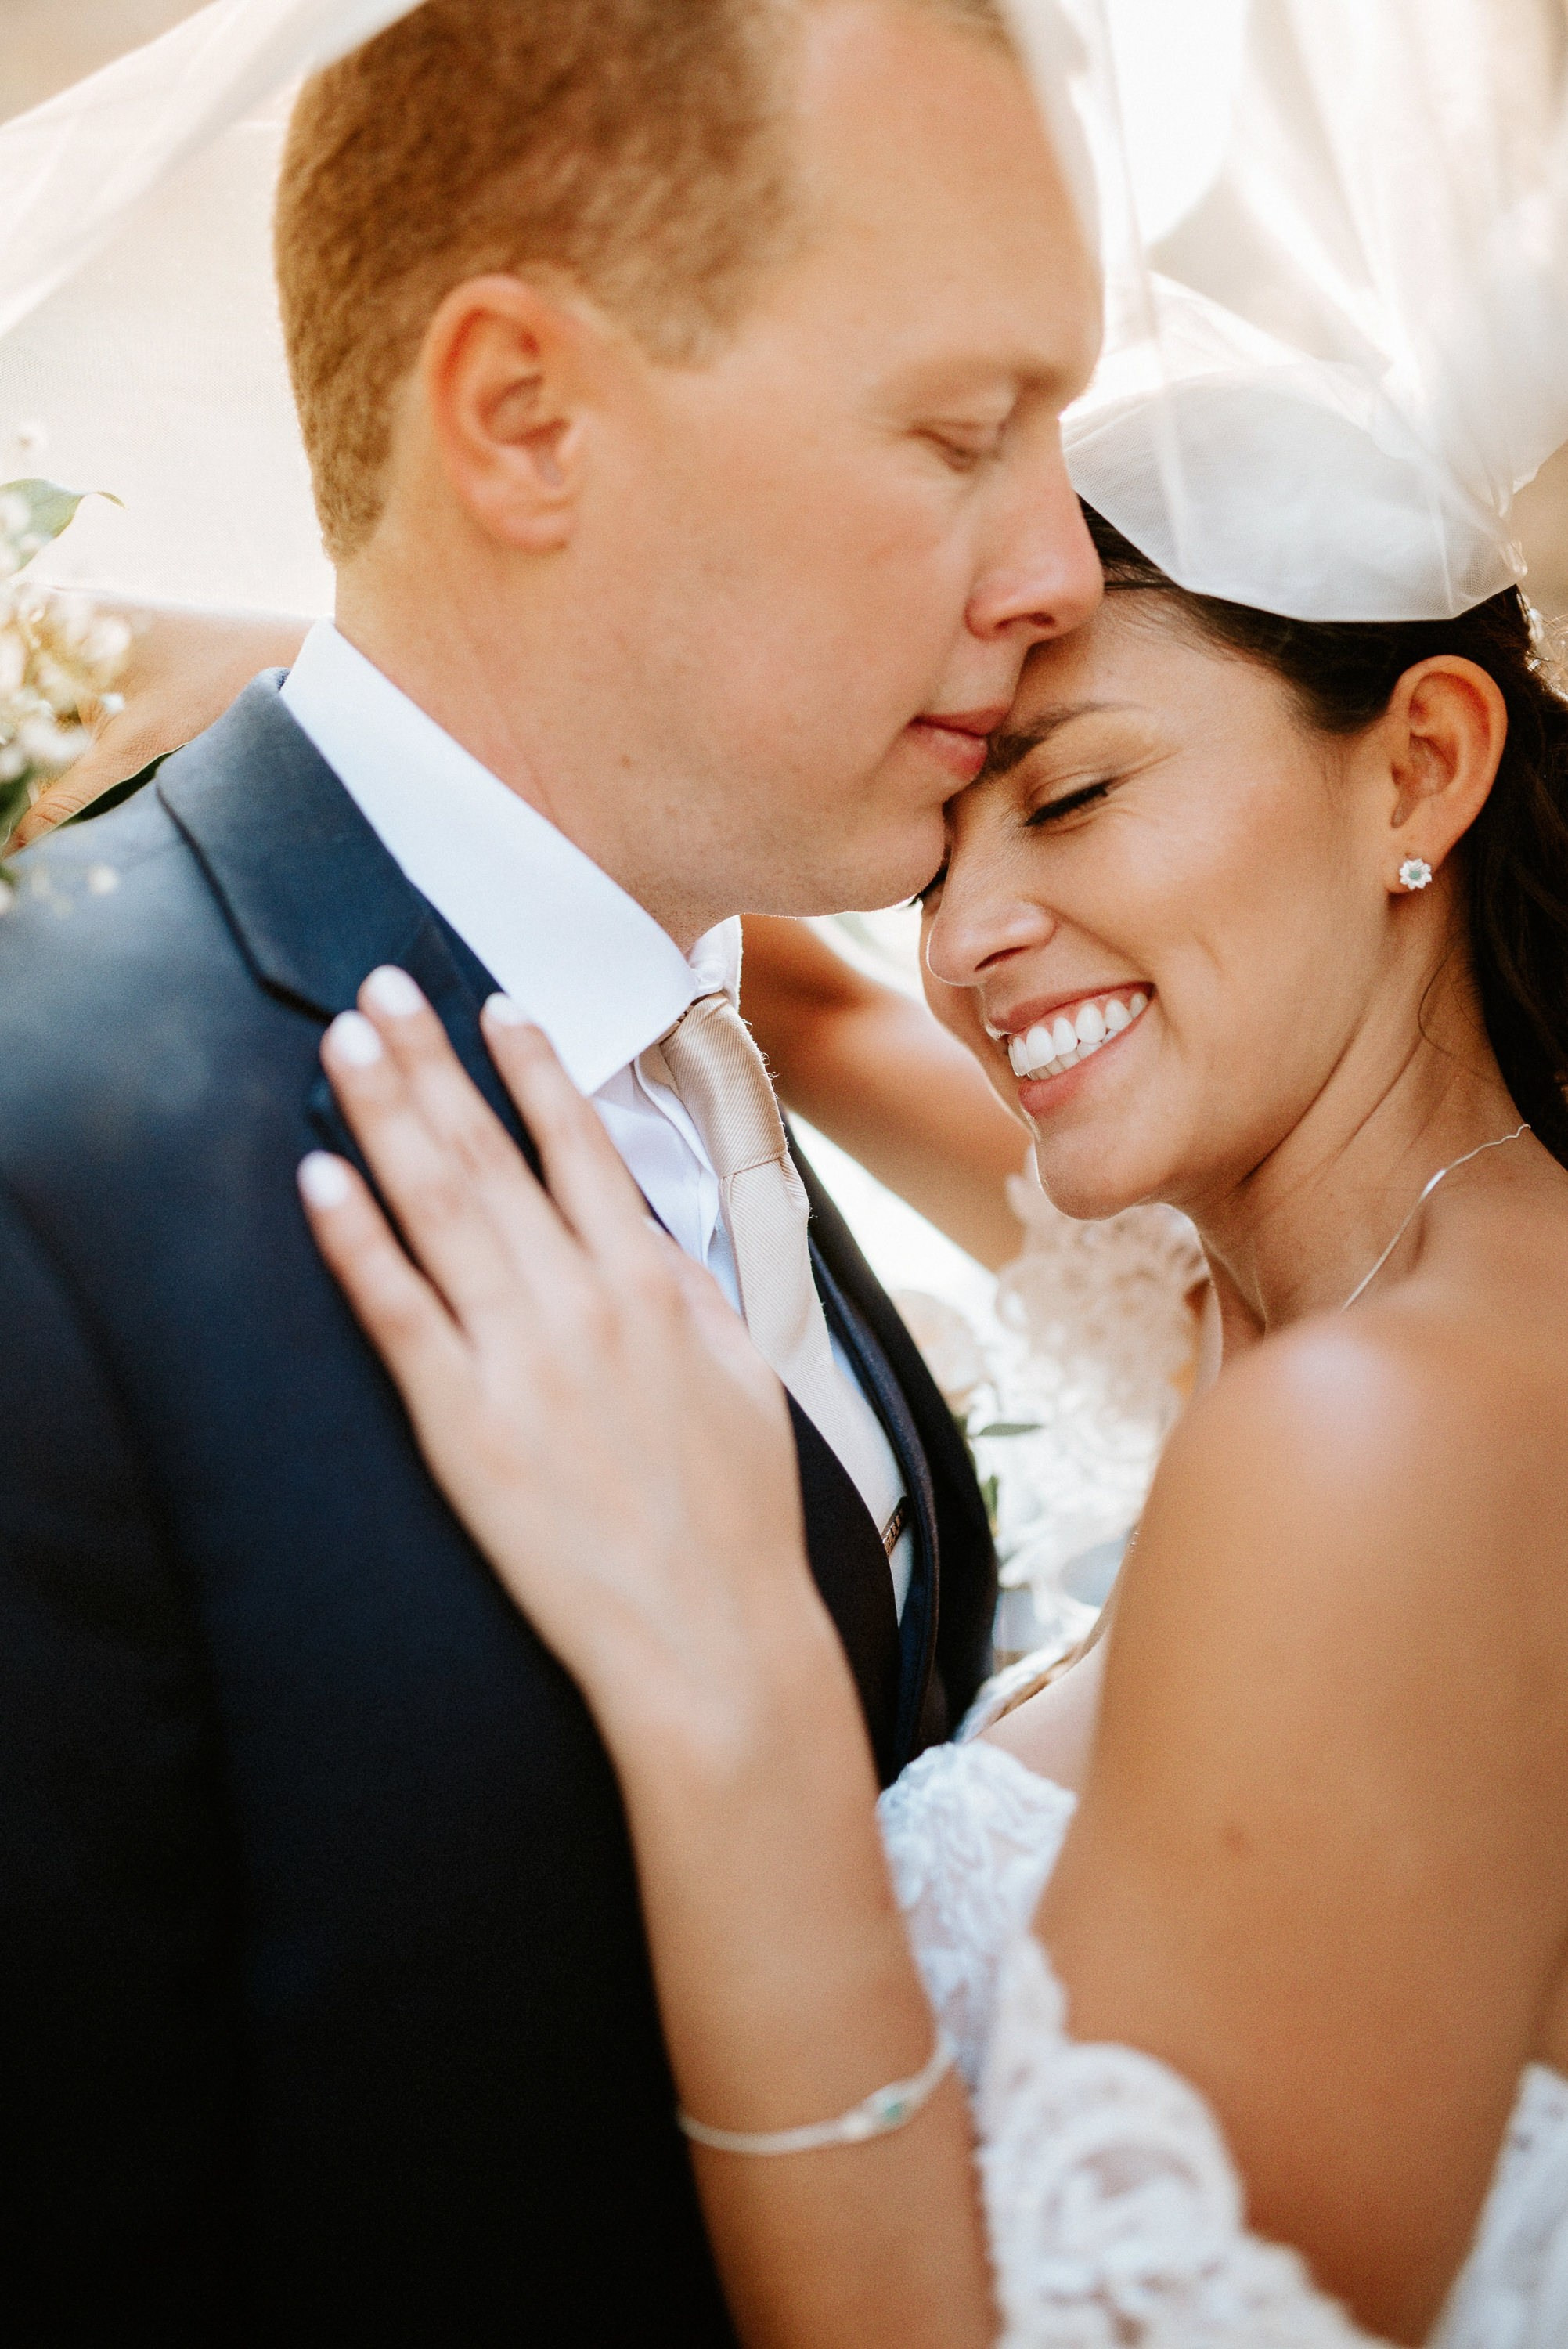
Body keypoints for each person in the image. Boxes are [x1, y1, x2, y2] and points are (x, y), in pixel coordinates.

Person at [0, 0, 1103, 2336]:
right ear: (520, 416)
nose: (1061, 574)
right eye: (959, 430)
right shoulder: (49, 1178)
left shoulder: (706, 1032)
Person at [296, 495, 1568, 2349]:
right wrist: (182, 692)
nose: (967, 939)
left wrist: (732, 1707)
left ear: (1422, 768)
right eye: (929, 860)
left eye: (1072, 800)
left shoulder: (1382, 1443)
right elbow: (773, 995)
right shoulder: (1272, 1293)